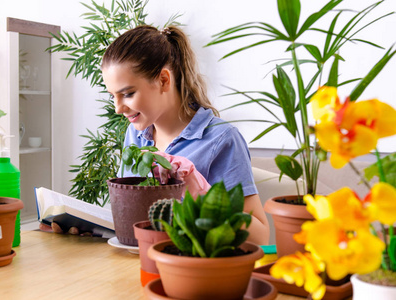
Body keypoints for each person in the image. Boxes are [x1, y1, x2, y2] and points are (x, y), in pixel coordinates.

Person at [49, 25, 270, 245]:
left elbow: (260, 237)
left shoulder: (222, 139)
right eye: (112, 96)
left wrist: (198, 189)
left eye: (127, 94)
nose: (118, 108)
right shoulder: (135, 136)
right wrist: (93, 229)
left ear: (164, 80)